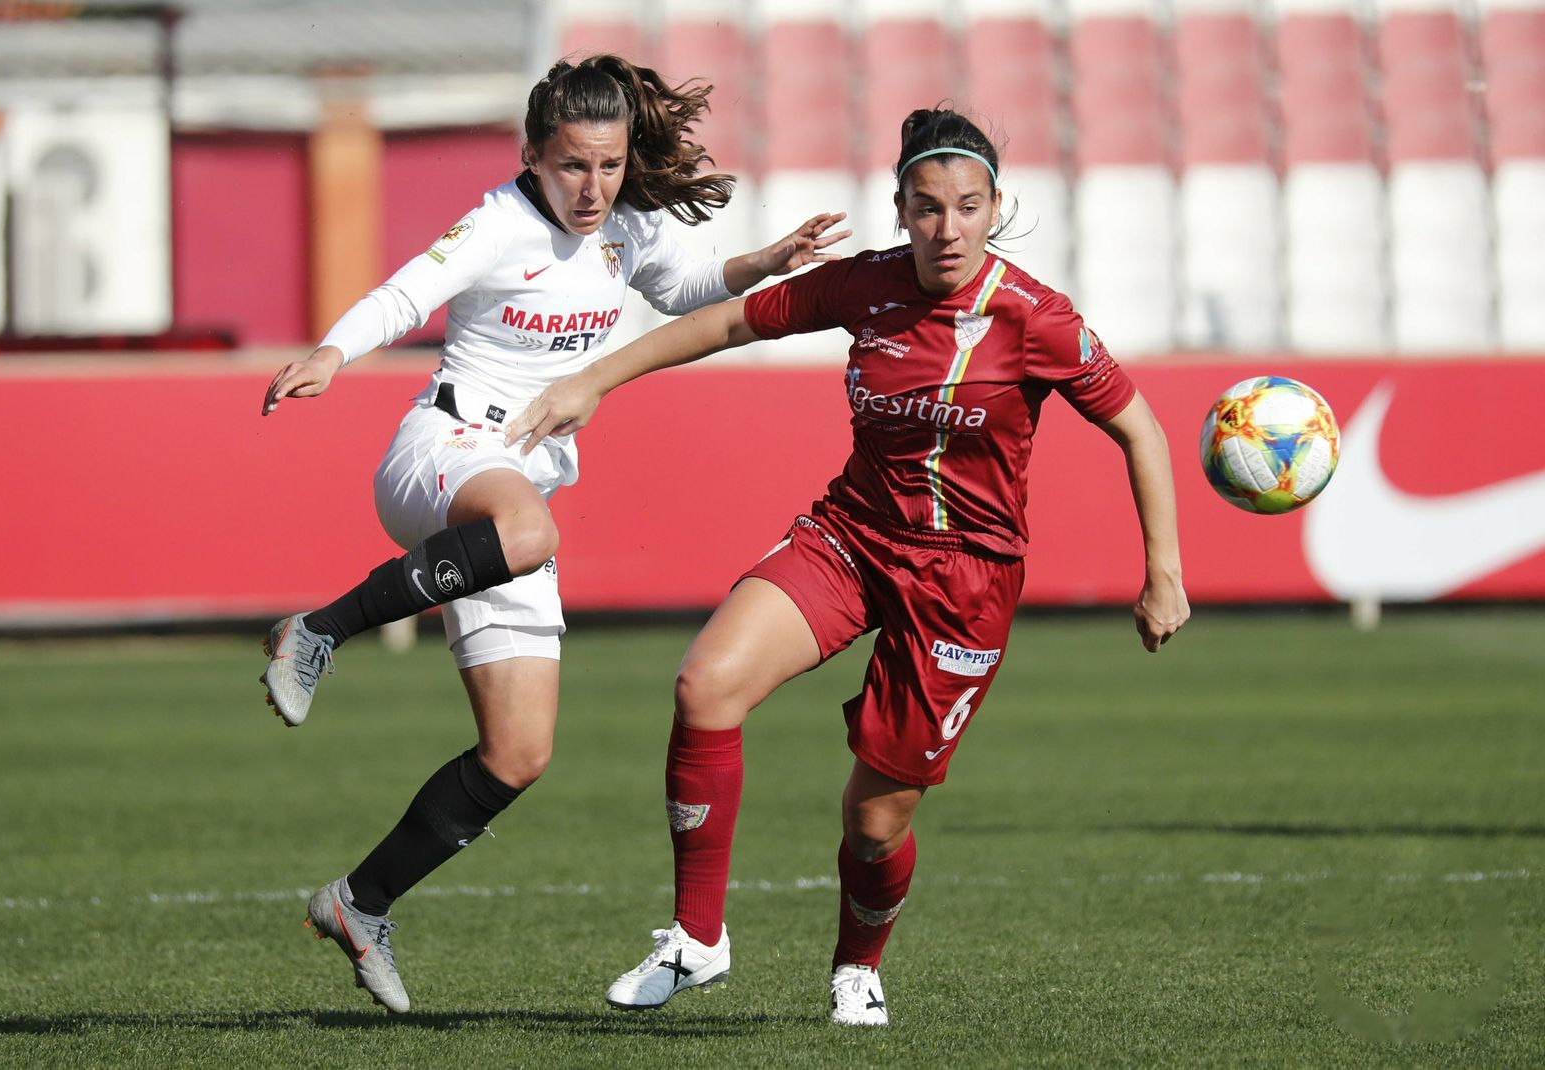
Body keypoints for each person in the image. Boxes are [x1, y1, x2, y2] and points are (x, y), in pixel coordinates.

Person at [505, 106, 1190, 1027]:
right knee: (705, 686)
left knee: (875, 822)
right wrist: (593, 379)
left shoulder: (1038, 319)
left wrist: (1163, 573)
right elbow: (730, 323)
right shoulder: (866, 286)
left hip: (964, 584)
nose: (947, 228)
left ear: (995, 209)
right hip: (854, 537)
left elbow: (1140, 429)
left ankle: (857, 968)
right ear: (901, 210)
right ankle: (697, 938)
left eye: (968, 207)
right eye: (927, 207)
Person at [256, 54, 848, 1015]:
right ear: (533, 154)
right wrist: (332, 352)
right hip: (444, 448)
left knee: (518, 752)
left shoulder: (627, 225)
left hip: (512, 502)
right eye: (573, 164)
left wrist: (765, 261)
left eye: (609, 165)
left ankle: (359, 905)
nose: (593, 186)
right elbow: (409, 291)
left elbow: (687, 285)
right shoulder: (499, 221)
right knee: (531, 532)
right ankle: (316, 630)